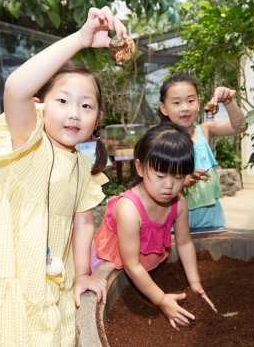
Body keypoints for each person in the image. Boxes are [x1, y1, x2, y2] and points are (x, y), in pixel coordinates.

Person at [0, 6, 129, 346]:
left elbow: (84, 223)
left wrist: (81, 274)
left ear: (98, 117)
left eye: (86, 106)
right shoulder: (26, 141)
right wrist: (80, 39)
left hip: (52, 287)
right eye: (62, 100)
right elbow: (15, 87)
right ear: (40, 104)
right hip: (11, 282)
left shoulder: (82, 168)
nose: (74, 112)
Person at [91, 122, 216, 330]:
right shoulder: (129, 209)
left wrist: (195, 284)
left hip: (142, 266)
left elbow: (184, 243)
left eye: (178, 177)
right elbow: (131, 265)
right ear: (140, 168)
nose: (169, 186)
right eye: (160, 176)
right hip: (110, 264)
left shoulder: (179, 204)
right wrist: (161, 299)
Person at [158, 73, 245, 230]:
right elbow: (156, 182)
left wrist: (228, 102)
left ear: (199, 103)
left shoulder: (205, 130)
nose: (185, 107)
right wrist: (183, 181)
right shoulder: (161, 140)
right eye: (176, 103)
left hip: (211, 216)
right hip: (177, 219)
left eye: (191, 101)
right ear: (164, 108)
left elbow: (240, 127)